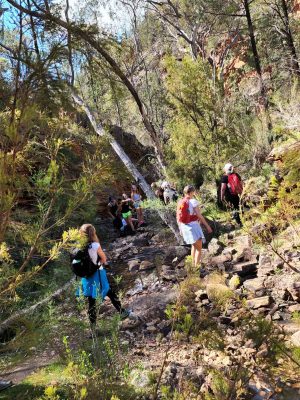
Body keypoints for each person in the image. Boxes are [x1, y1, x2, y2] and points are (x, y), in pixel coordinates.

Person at [76, 224, 130, 332]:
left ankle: (93, 329)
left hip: (86, 277)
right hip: (98, 273)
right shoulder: (95, 245)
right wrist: (99, 263)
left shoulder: (78, 247)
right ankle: (122, 312)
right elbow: (104, 259)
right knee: (109, 292)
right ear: (93, 233)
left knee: (91, 301)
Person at [177, 185, 212, 270]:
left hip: (184, 227)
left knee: (194, 245)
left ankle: (192, 265)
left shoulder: (180, 201)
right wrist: (207, 226)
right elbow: (199, 215)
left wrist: (180, 229)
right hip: (193, 226)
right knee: (199, 249)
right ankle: (197, 268)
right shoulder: (193, 201)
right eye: (194, 191)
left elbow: (178, 217)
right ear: (192, 192)